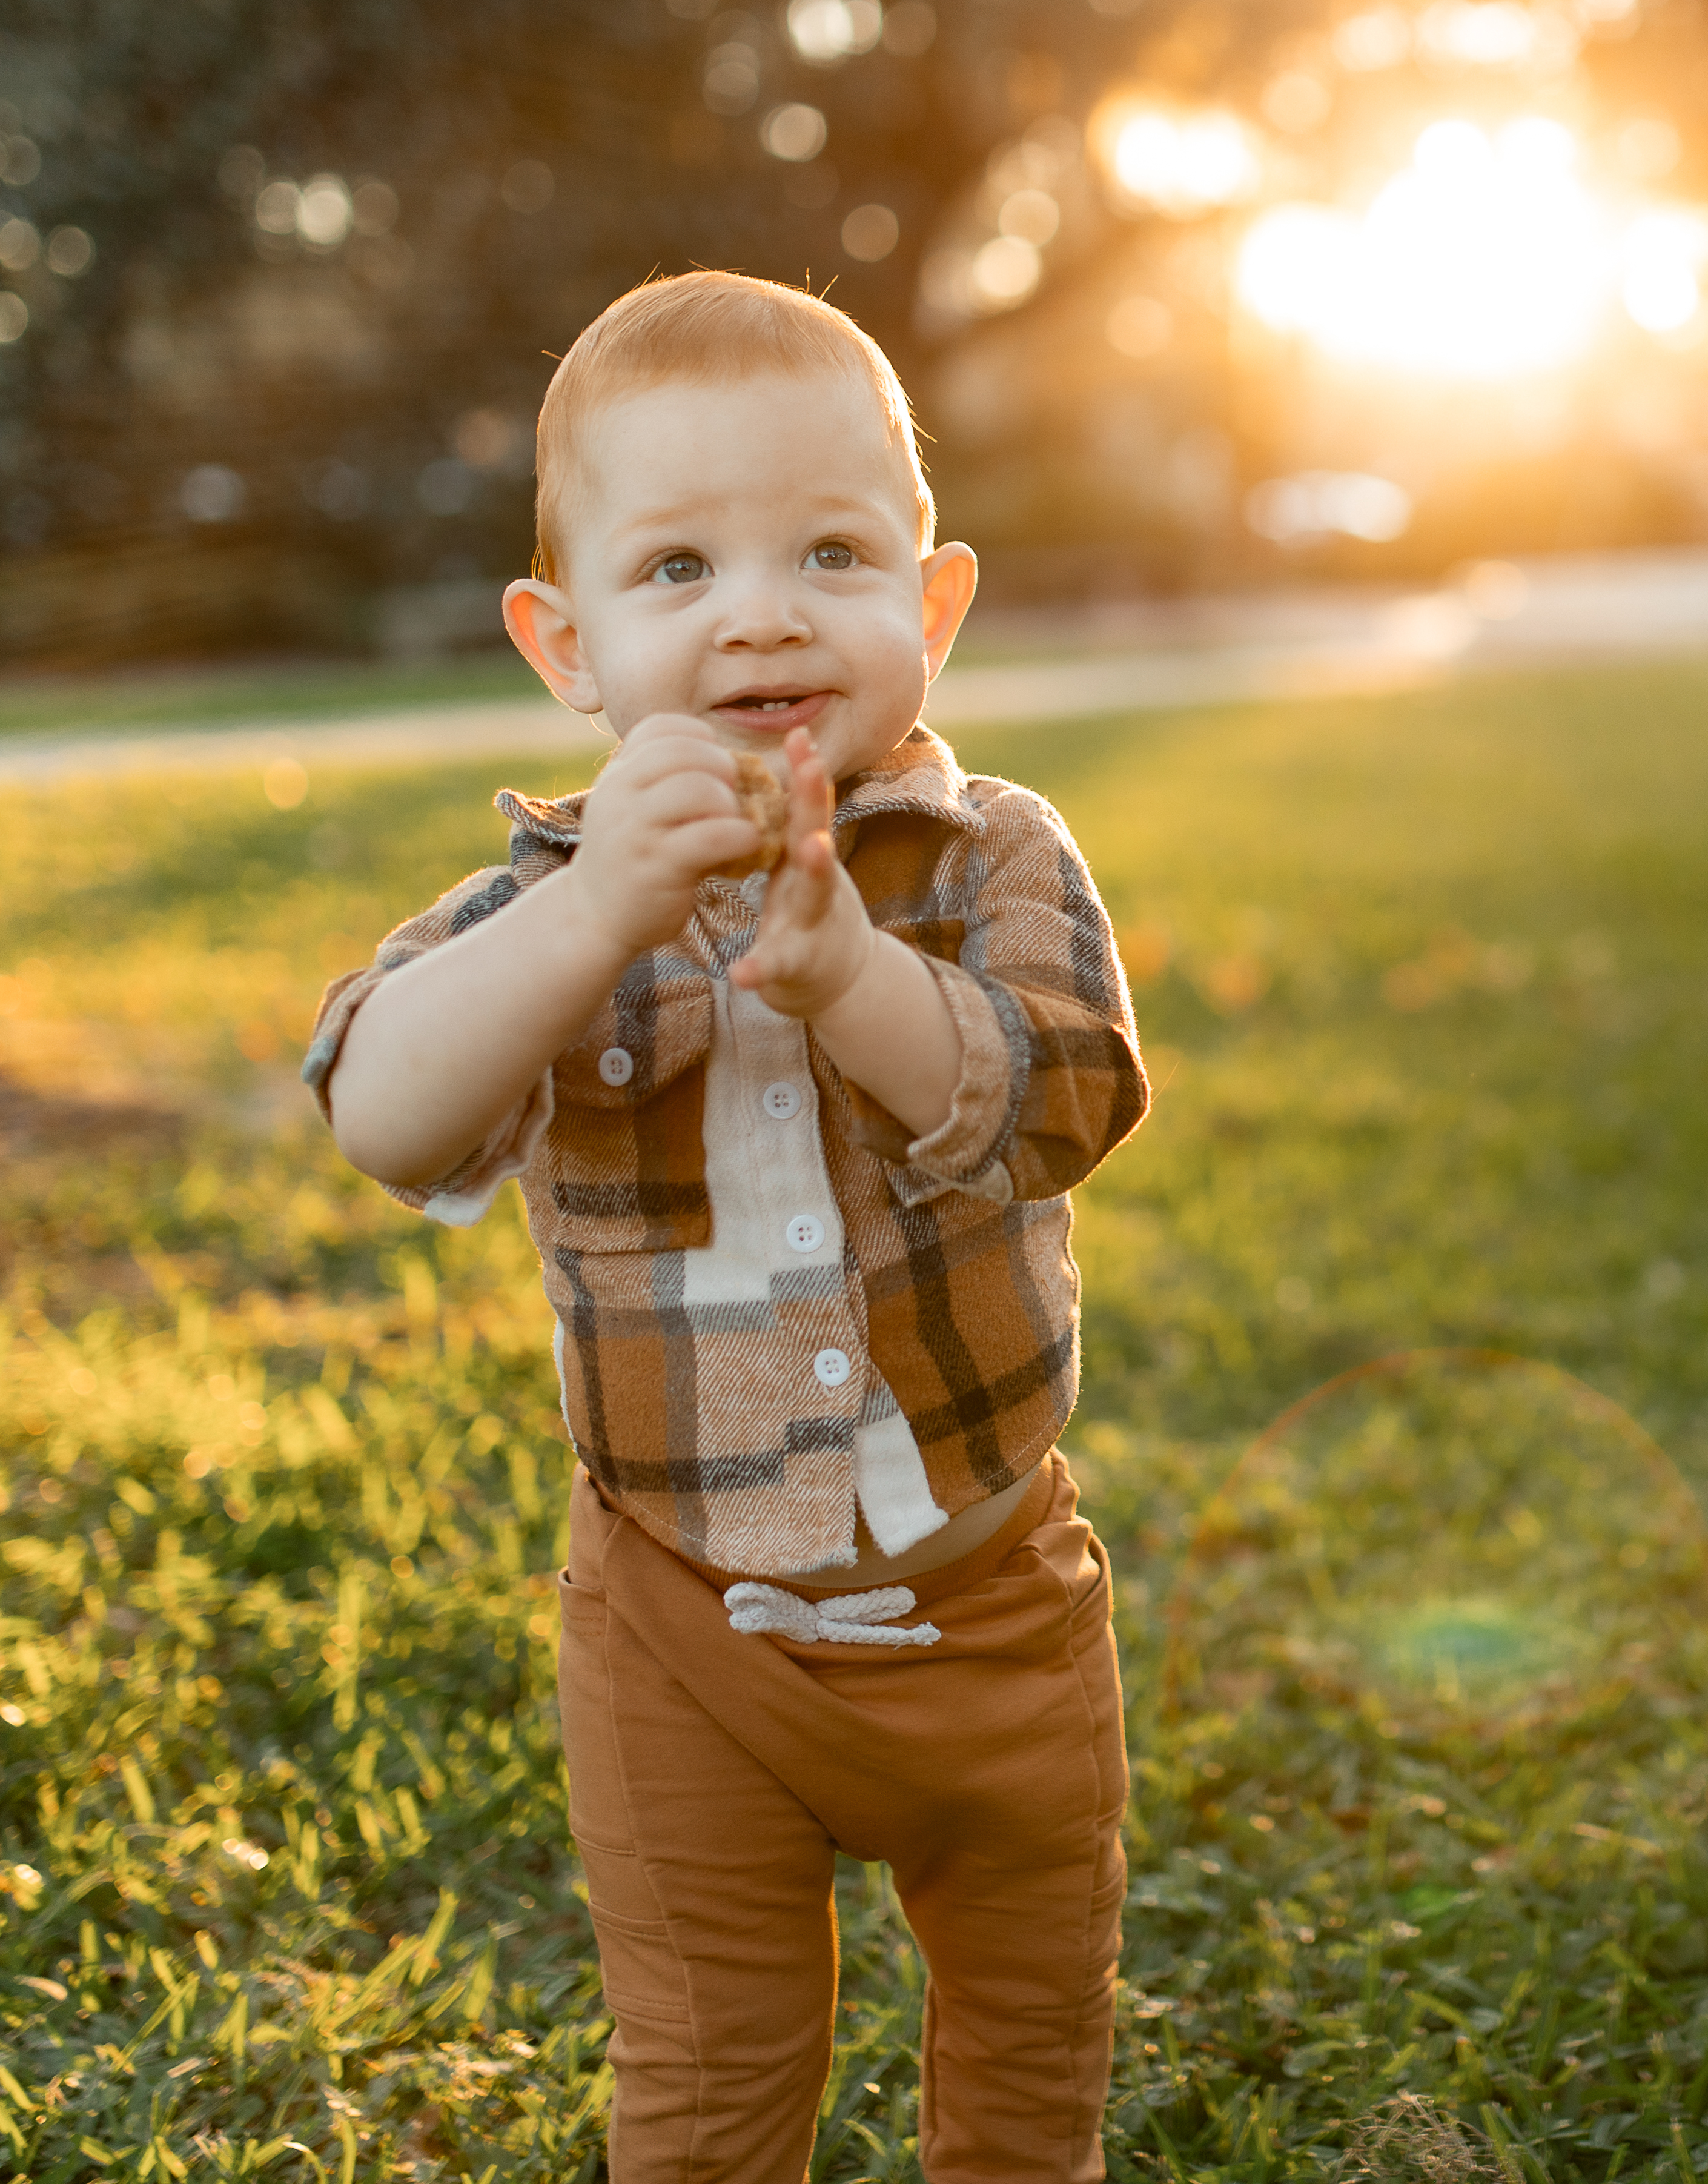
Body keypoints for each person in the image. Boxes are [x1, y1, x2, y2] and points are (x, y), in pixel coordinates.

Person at [305, 271, 1149, 2184]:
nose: (761, 611)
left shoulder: (990, 854)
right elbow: (380, 1111)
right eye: (675, 569)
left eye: (832, 553)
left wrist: (849, 968)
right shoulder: (536, 905)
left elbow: (1061, 1101)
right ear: (568, 646)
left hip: (991, 1602)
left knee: (1031, 2064)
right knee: (703, 2081)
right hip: (684, 1616)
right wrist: (592, 917)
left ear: (931, 607)